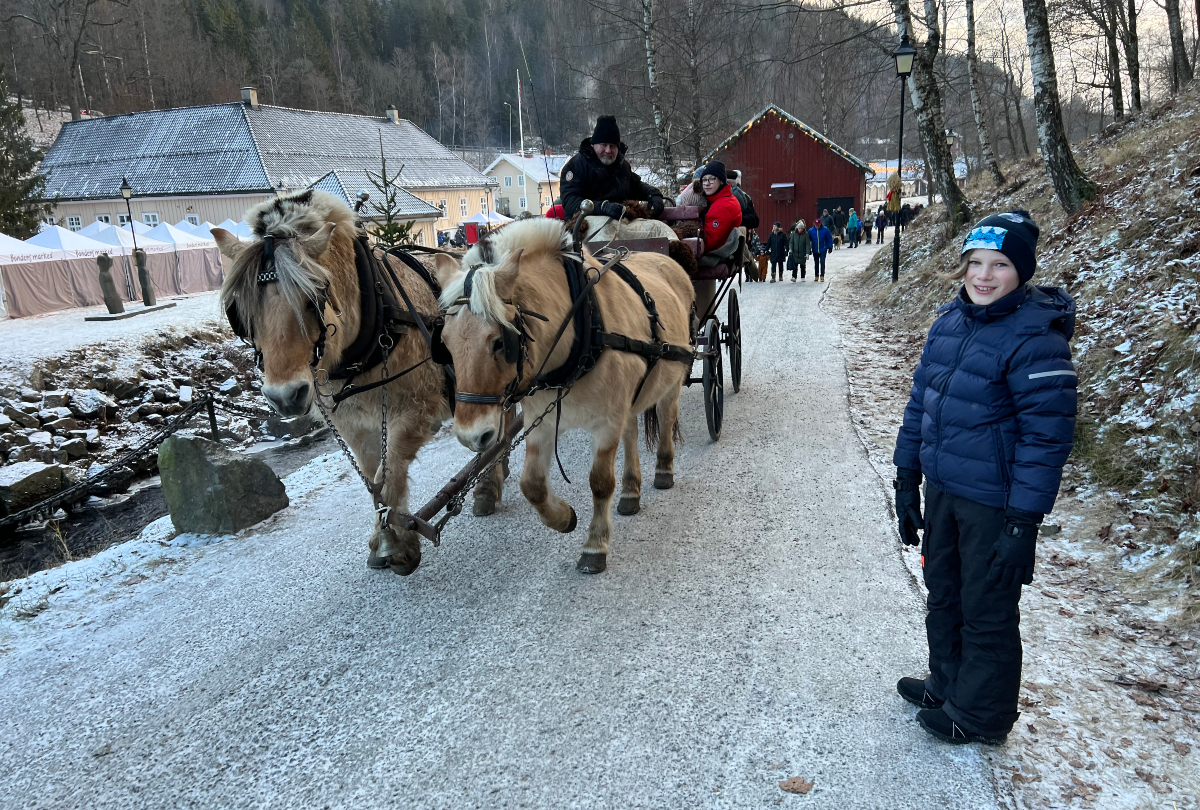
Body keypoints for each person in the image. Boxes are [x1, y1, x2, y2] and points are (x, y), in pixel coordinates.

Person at [893, 210, 1077, 746]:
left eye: (1000, 264)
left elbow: (1048, 439)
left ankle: (982, 715)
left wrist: (1023, 523)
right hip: (948, 487)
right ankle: (948, 685)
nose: (984, 275)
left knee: (987, 607)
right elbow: (919, 405)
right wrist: (908, 476)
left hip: (995, 502)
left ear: (1021, 271)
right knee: (944, 592)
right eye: (975, 263)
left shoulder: (1037, 338)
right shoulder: (951, 321)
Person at [559, 116, 666, 222]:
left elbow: (635, 186)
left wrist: (653, 193)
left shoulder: (622, 166)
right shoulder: (576, 166)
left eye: (613, 146)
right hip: (585, 225)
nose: (608, 150)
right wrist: (602, 207)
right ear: (593, 144)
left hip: (622, 223)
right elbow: (570, 201)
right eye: (604, 145)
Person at [694, 160, 742, 311]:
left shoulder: (723, 206)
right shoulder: (718, 201)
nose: (707, 184)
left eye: (711, 179)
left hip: (716, 253)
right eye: (704, 180)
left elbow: (711, 241)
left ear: (721, 181)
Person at [807, 217, 831, 282]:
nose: (817, 226)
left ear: (820, 224)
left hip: (823, 248)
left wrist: (830, 247)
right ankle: (816, 276)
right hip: (815, 249)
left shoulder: (825, 230)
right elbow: (808, 240)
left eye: (818, 225)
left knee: (822, 262)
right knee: (816, 263)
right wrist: (808, 249)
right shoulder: (810, 231)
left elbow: (829, 238)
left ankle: (822, 275)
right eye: (816, 225)